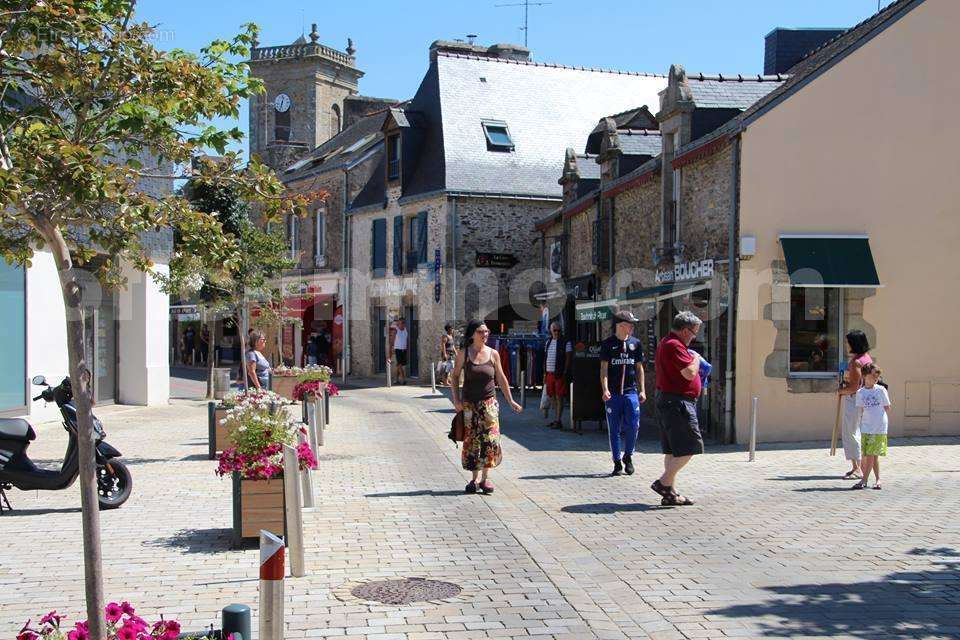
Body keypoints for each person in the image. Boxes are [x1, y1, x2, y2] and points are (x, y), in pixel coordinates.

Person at [450, 320, 523, 494]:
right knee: (472, 441)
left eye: (486, 331)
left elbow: (501, 378)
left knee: (489, 441)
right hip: (469, 405)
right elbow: (454, 377)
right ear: (473, 334)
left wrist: (510, 400)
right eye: (481, 332)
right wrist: (456, 401)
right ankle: (473, 479)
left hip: (489, 404)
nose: (485, 335)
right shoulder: (464, 353)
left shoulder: (493, 354)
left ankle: (485, 479)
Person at [651, 310, 704, 506]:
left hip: (670, 401)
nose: (694, 336)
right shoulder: (674, 345)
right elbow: (690, 373)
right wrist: (696, 359)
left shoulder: (668, 343)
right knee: (690, 447)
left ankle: (670, 493)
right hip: (678, 403)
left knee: (673, 451)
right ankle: (664, 483)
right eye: (693, 332)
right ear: (684, 330)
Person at [600, 310, 645, 476]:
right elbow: (603, 369)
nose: (632, 327)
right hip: (613, 394)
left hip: (630, 392)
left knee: (633, 425)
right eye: (629, 324)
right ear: (621, 325)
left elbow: (639, 368)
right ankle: (616, 461)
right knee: (614, 428)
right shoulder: (608, 344)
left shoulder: (636, 343)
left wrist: (642, 390)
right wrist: (605, 389)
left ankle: (628, 456)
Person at [839, 329, 873, 479]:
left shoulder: (856, 362)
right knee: (858, 432)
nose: (846, 344)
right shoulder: (867, 358)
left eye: (848, 342)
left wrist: (841, 391)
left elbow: (854, 387)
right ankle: (860, 467)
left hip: (855, 399)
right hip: (866, 400)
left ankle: (857, 468)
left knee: (851, 433)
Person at [853, 363, 890, 490]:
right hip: (866, 427)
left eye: (877, 376)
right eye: (872, 375)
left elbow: (887, 407)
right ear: (864, 376)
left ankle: (864, 480)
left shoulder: (881, 390)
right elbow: (861, 410)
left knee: (871, 455)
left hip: (878, 427)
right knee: (871, 455)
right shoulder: (860, 393)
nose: (875, 378)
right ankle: (878, 479)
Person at [544, 321, 573, 429]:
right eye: (554, 330)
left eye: (558, 330)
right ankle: (556, 419)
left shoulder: (566, 342)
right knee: (552, 396)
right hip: (549, 373)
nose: (556, 332)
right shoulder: (548, 341)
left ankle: (558, 419)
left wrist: (565, 372)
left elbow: (568, 357)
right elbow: (546, 357)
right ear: (551, 331)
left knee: (559, 396)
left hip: (559, 373)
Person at [392, 318, 409, 385]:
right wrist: (392, 348)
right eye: (401, 323)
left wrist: (407, 349)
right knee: (399, 364)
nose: (403, 324)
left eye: (404, 323)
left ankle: (396, 379)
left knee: (399, 365)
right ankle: (403, 379)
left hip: (404, 349)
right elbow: (392, 340)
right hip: (397, 349)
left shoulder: (405, 330)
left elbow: (407, 340)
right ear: (398, 323)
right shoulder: (396, 330)